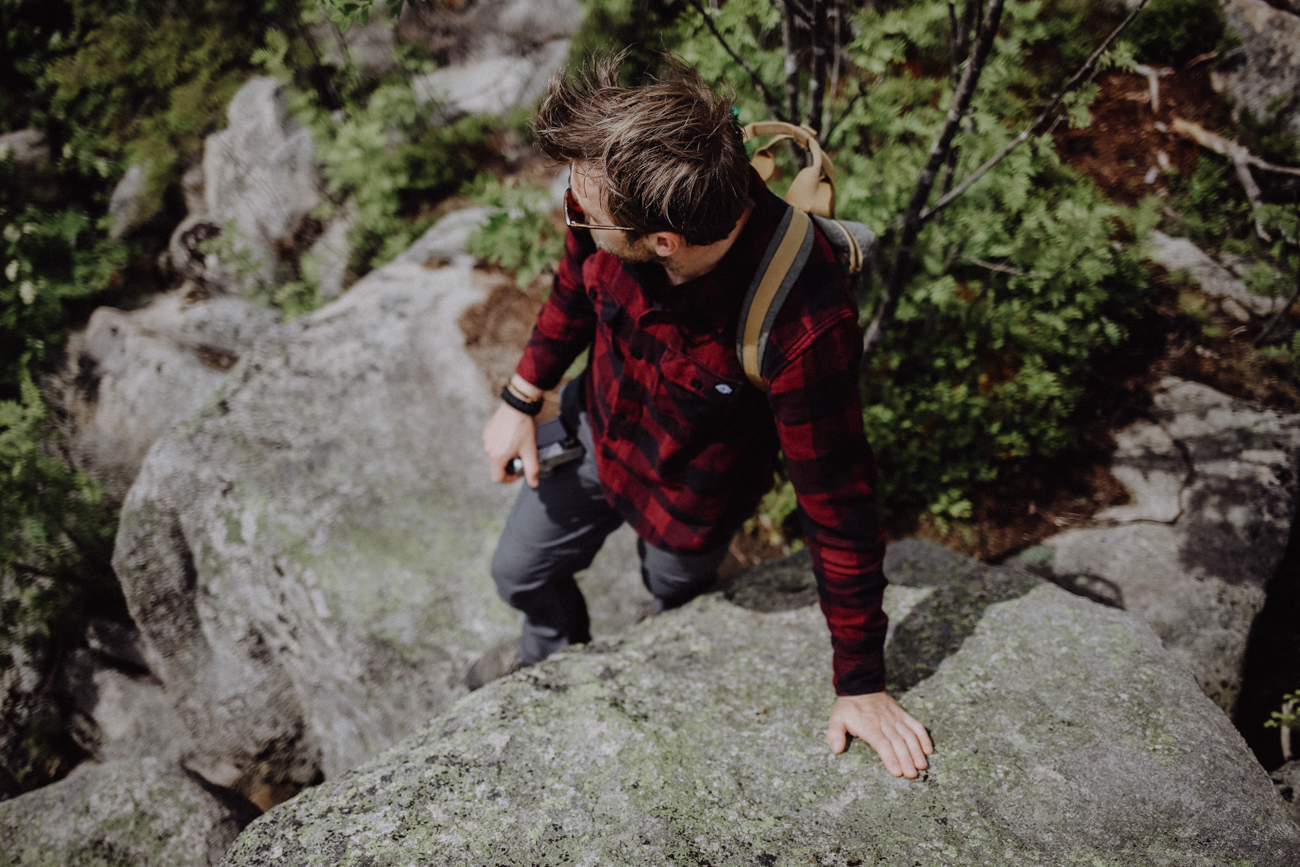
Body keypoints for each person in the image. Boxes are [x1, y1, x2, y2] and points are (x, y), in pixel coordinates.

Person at [479, 56, 934, 779]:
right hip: (596, 435)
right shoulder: (611, 194)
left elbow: (838, 505)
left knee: (675, 601)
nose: (571, 207)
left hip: (694, 500)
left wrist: (861, 682)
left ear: (663, 242)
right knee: (518, 573)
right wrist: (521, 395)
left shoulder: (801, 320)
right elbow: (574, 287)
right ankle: (549, 656)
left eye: (582, 212)